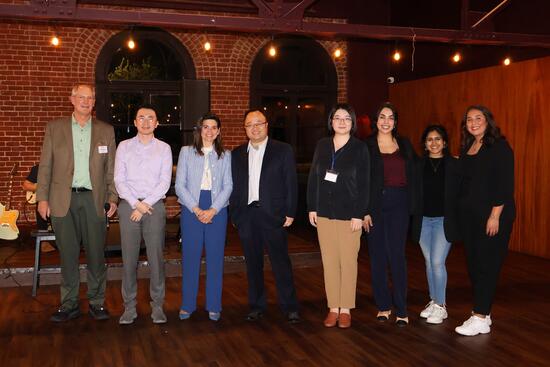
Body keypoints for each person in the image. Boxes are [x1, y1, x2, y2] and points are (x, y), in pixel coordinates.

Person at [37, 83, 118, 322]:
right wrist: (42, 198)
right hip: (62, 199)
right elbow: (45, 166)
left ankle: (96, 301)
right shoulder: (55, 128)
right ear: (71, 99)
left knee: (96, 254)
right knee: (68, 255)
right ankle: (69, 303)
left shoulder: (106, 130)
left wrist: (112, 197)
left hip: (94, 199)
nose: (86, 101)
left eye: (90, 98)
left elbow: (111, 170)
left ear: (94, 102)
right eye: (81, 97)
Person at [230, 108, 301, 323]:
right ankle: (256, 305)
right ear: (245, 129)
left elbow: (291, 182)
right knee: (253, 264)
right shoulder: (237, 154)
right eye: (250, 124)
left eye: (258, 123)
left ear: (266, 125)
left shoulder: (283, 150)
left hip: (274, 215)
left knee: (281, 262)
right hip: (247, 216)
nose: (254, 128)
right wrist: (235, 214)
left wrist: (290, 211)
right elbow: (233, 186)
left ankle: (290, 307)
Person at [307, 103, 370, 329]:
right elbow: (314, 176)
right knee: (330, 262)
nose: (342, 121)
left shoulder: (360, 148)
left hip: (349, 214)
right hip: (324, 211)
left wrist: (359, 214)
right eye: (337, 117)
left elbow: (365, 185)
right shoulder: (322, 145)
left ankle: (346, 309)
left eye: (347, 118)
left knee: (348, 262)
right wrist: (312, 207)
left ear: (352, 124)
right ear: (331, 122)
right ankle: (333, 307)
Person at [454, 105, 515, 336]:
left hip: (492, 218)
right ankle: (484, 313)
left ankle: (479, 316)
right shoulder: (469, 145)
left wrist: (494, 216)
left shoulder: (499, 147)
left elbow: (504, 185)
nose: (474, 122)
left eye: (478, 118)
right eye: (469, 119)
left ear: (488, 121)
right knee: (474, 266)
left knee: (487, 266)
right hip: (470, 218)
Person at [114, 105, 172, 325]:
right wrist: (135, 204)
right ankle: (129, 307)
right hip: (129, 205)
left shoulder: (164, 148)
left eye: (151, 118)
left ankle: (157, 305)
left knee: (156, 258)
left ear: (157, 123)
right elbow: (119, 179)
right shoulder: (124, 146)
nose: (146, 122)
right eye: (141, 118)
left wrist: (145, 204)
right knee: (129, 260)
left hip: (154, 205)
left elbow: (164, 182)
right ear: (135, 122)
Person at [175, 113, 232, 322]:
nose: (209, 131)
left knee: (215, 258)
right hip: (192, 208)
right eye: (205, 127)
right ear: (199, 130)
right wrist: (197, 209)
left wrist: (213, 210)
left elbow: (229, 186)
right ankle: (187, 304)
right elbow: (180, 185)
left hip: (217, 209)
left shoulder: (225, 155)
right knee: (190, 257)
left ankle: (214, 305)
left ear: (218, 131)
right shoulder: (186, 152)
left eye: (213, 127)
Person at [364, 102, 417, 327]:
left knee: (397, 255)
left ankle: (402, 308)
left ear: (395, 122)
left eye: (391, 117)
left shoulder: (404, 144)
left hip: (400, 203)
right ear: (376, 121)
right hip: (375, 206)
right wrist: (364, 211)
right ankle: (384, 306)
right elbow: (361, 180)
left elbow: (417, 170)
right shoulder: (366, 145)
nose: (386, 121)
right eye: (382, 117)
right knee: (377, 257)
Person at [411, 125, 459, 324]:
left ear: (445, 142)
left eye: (438, 139)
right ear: (424, 144)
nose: (434, 142)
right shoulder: (418, 165)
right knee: (429, 262)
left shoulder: (454, 164)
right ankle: (434, 301)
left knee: (438, 262)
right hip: (423, 220)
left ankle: (441, 306)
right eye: (430, 139)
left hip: (443, 221)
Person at [22, 164, 56, 252]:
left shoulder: (62, 167)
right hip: (43, 200)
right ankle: (44, 243)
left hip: (58, 201)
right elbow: (26, 185)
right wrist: (39, 187)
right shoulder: (38, 168)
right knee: (41, 209)